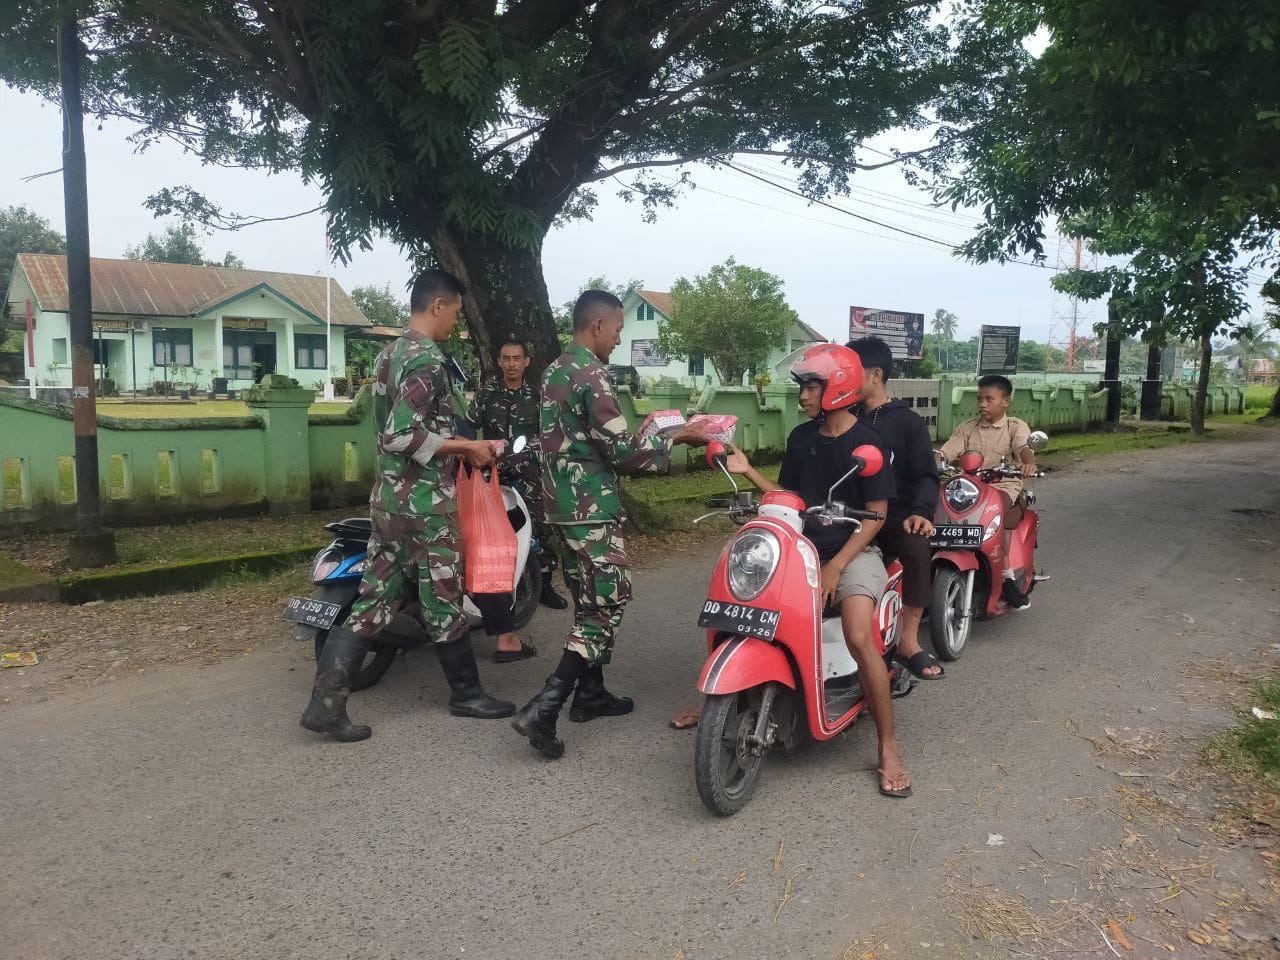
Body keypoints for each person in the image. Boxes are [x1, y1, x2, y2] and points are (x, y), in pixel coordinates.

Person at [299, 269, 514, 742]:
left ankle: (325, 703)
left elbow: (395, 428)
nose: (457, 321)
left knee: (374, 600)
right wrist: (467, 449)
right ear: (437, 305)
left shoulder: (389, 354)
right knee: (443, 597)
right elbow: (400, 434)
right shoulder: (426, 360)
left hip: (389, 501)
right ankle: (466, 694)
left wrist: (456, 440)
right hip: (425, 504)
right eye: (456, 312)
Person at [510, 290, 709, 759]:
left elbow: (590, 437)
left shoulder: (555, 369)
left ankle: (591, 694)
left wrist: (654, 430)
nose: (619, 339)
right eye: (618, 330)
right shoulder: (592, 374)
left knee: (587, 598)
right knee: (608, 603)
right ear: (597, 325)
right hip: (590, 508)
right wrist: (680, 436)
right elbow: (621, 452)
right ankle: (546, 706)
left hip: (560, 505)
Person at [723, 344, 912, 798]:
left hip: (853, 551)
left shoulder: (869, 444)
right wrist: (749, 471)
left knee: (858, 634)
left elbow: (877, 516)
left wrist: (836, 567)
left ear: (838, 387)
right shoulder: (800, 439)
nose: (804, 395)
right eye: (804, 385)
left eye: (812, 385)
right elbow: (788, 498)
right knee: (744, 605)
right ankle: (719, 698)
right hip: (800, 546)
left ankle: (888, 745)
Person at [847, 336, 943, 680]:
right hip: (845, 512)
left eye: (850, 371)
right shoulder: (843, 416)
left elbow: (926, 476)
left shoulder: (908, 423)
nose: (842, 378)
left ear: (875, 375)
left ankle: (908, 640)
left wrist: (921, 511)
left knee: (917, 545)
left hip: (893, 513)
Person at [471, 338, 570, 663]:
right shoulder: (487, 393)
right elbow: (472, 428)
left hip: (528, 474)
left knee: (540, 530)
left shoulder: (538, 395)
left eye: (517, 358)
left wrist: (526, 452)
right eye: (505, 358)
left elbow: (550, 433)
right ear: (499, 361)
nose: (511, 364)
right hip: (492, 474)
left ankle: (544, 584)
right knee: (494, 534)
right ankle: (499, 590)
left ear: (527, 362)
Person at [937, 374, 1038, 609]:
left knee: (993, 516)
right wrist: (932, 459)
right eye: (980, 399)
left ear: (1006, 401)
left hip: (1001, 486)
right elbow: (946, 452)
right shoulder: (967, 428)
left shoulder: (1015, 427)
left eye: (989, 399)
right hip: (968, 489)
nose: (982, 404)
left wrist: (1028, 463)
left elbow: (1023, 448)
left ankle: (1007, 579)